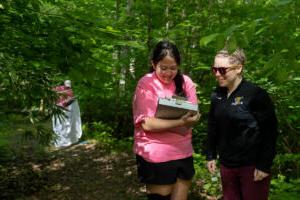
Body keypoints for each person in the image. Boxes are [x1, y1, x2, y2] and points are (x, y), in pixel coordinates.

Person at [206, 48, 278, 200]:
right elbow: (213, 125)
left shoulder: (255, 94)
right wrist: (211, 154)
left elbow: (270, 132)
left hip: (252, 167)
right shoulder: (217, 95)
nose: (217, 74)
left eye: (222, 70)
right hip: (227, 165)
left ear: (239, 68)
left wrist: (264, 165)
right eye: (214, 69)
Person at [132, 40, 201, 200]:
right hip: (156, 153)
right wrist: (181, 122)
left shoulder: (186, 82)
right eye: (163, 68)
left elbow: (194, 113)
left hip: (183, 151)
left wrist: (193, 119)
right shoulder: (146, 83)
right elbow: (147, 124)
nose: (168, 73)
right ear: (153, 63)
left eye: (173, 68)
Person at [52, 80, 82, 148]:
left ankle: (69, 140)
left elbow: (70, 100)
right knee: (60, 125)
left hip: (66, 109)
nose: (68, 86)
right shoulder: (56, 89)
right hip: (59, 109)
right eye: (67, 84)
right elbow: (54, 99)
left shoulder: (69, 90)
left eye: (69, 85)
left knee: (68, 125)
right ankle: (61, 142)